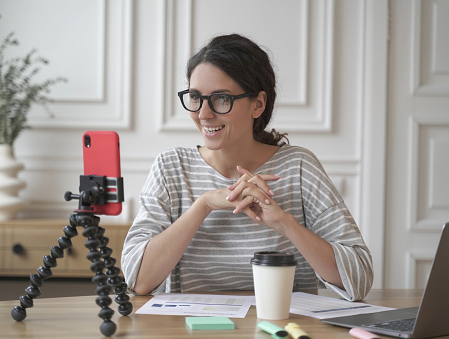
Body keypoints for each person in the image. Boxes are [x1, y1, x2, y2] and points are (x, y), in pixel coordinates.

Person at [121, 33, 373, 301]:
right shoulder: (171, 168)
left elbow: (359, 277)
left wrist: (285, 224)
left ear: (258, 104)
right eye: (195, 97)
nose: (204, 114)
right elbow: (138, 280)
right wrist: (204, 204)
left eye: (221, 99)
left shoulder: (299, 167)